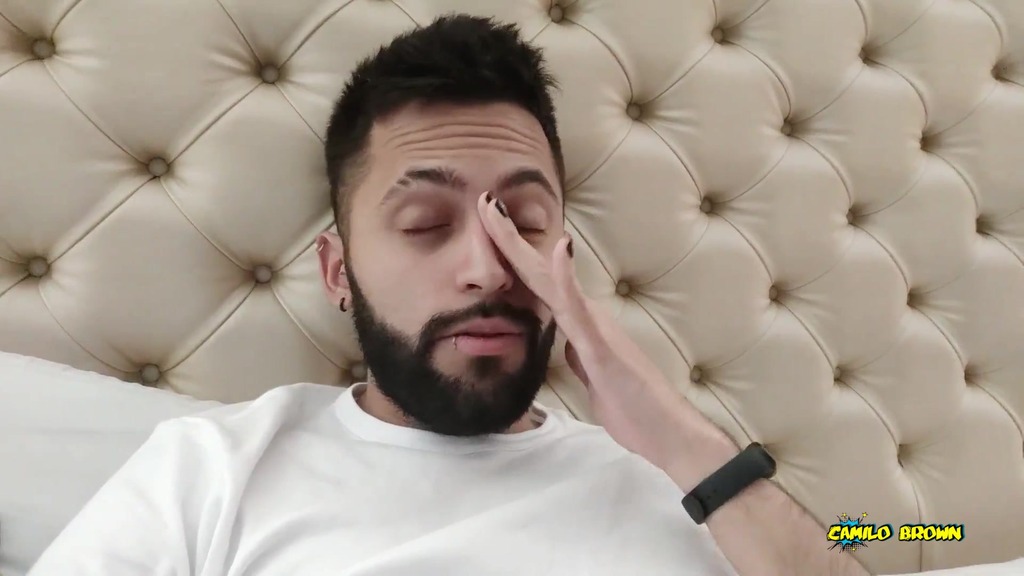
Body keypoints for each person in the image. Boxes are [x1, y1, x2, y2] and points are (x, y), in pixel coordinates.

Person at [29, 14, 869, 576]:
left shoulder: (687, 483)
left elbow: (893, 542)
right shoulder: (211, 470)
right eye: (427, 223)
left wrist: (680, 439)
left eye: (524, 224)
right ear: (337, 273)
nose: (487, 269)